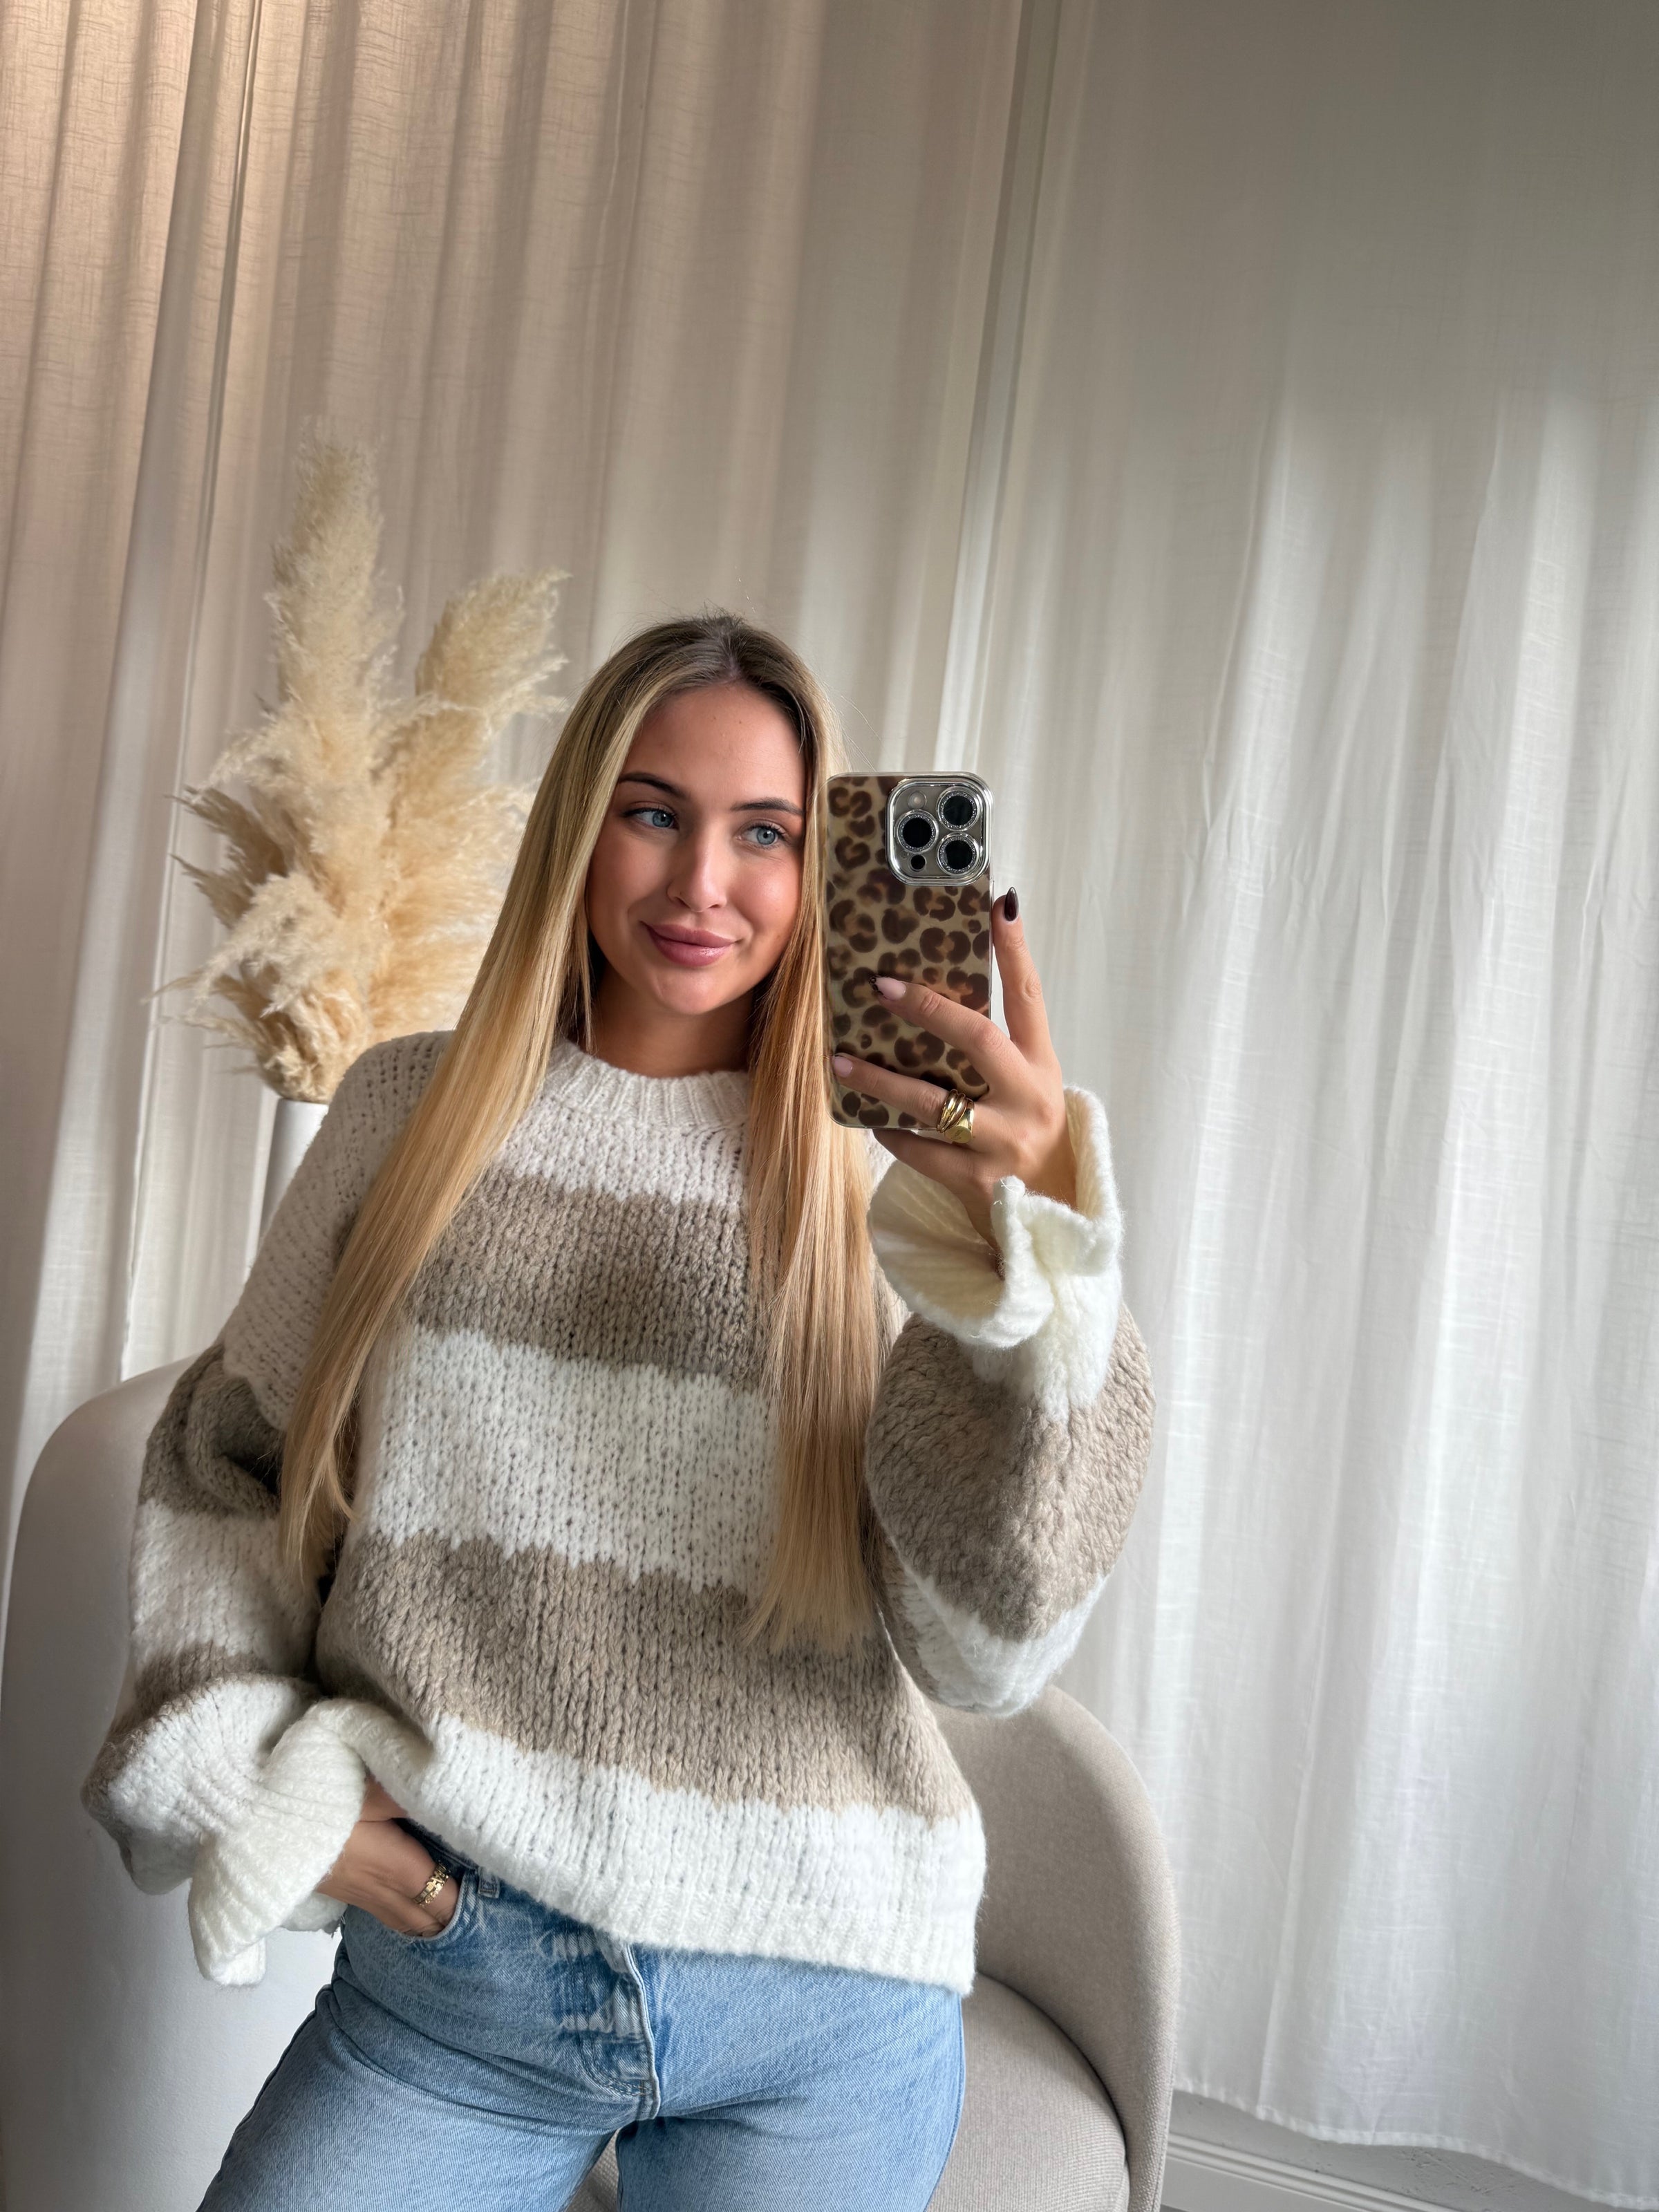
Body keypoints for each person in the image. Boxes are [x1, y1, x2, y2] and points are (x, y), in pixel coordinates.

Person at [84, 612, 1155, 2211]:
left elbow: (984, 1651)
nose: (701, 882)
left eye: (766, 832)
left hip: (822, 1989)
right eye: (654, 812)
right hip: (468, 1982)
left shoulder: (886, 1192)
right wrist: (245, 1777)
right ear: (581, 824)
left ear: (820, 864)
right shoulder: (406, 1113)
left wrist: (1031, 1271)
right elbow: (231, 1460)